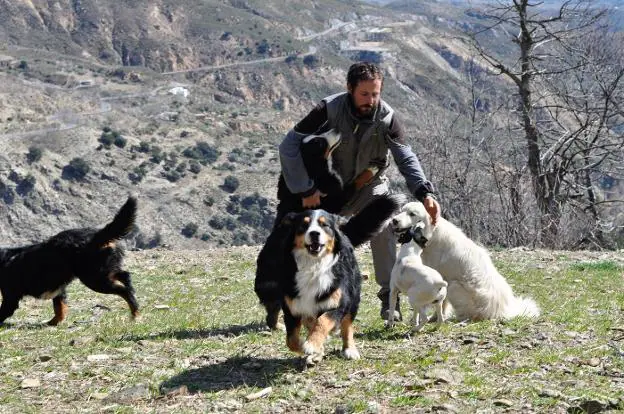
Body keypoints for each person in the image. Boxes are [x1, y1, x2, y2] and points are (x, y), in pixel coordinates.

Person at [278, 61, 440, 321]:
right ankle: (304, 301)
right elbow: (289, 146)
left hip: (369, 186)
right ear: (349, 89)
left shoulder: (387, 118)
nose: (371, 100)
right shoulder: (327, 109)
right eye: (364, 94)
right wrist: (305, 188)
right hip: (328, 191)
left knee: (385, 222)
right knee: (307, 238)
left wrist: (425, 192)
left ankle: (390, 298)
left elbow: (405, 157)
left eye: (376, 94)